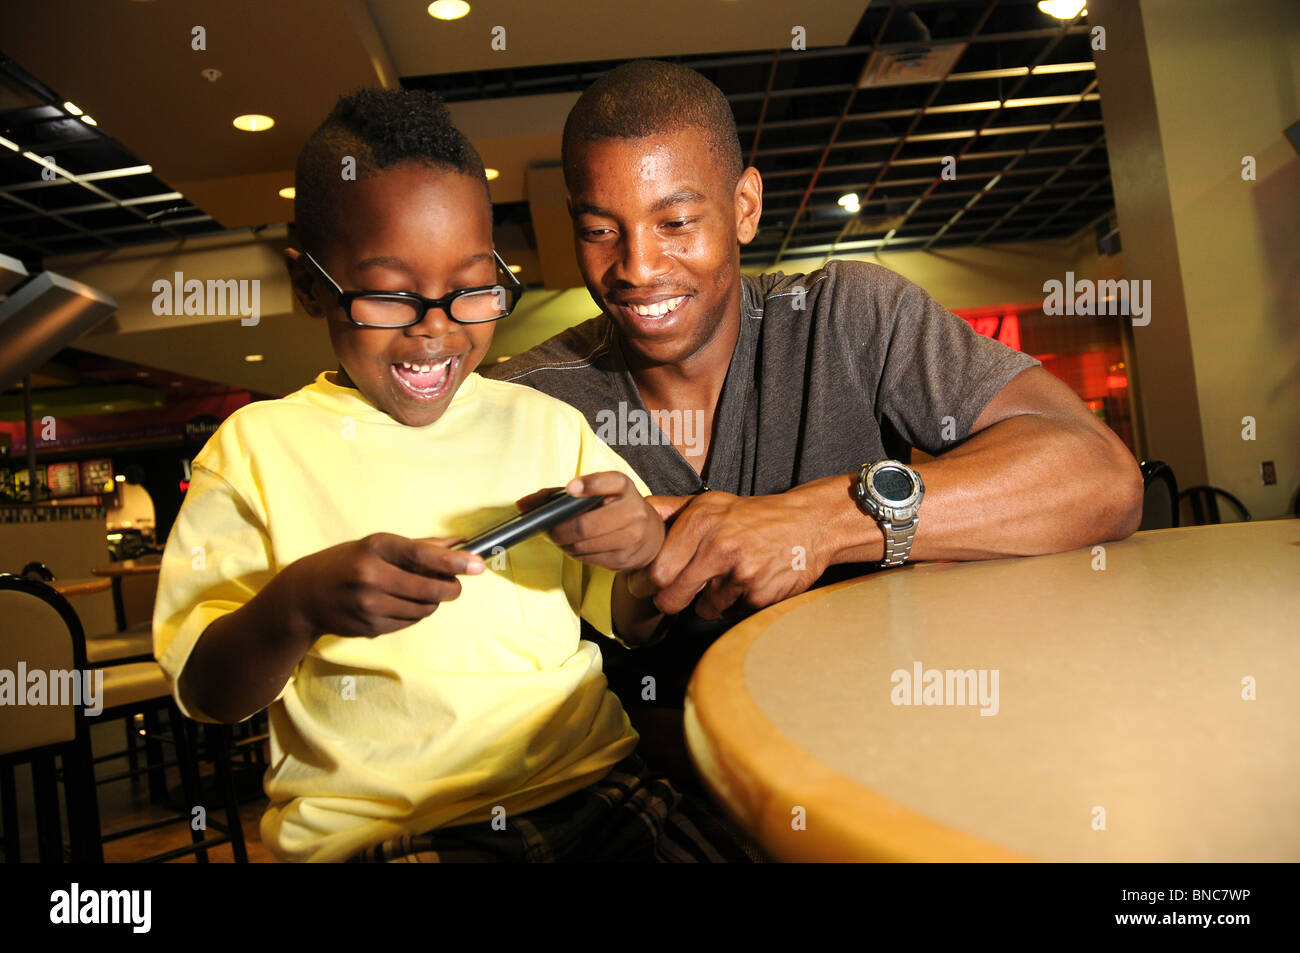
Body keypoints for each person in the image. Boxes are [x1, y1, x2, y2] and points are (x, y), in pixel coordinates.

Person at [484, 61, 1145, 776]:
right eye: (600, 230)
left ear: (744, 205)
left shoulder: (850, 316)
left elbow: (1103, 476)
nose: (638, 266)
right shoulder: (528, 400)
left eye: (674, 221)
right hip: (653, 796)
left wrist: (821, 520)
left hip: (882, 759)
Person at [153, 87, 757, 863]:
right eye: (390, 295)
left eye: (472, 288)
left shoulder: (542, 422)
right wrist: (298, 605)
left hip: (591, 784)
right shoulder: (256, 448)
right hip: (389, 833)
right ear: (309, 284)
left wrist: (639, 550)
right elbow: (208, 692)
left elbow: (631, 618)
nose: (435, 328)